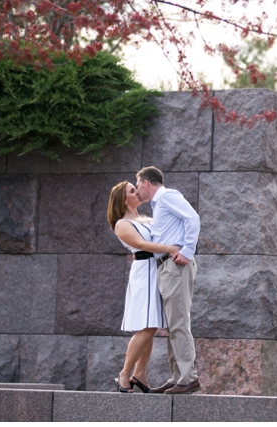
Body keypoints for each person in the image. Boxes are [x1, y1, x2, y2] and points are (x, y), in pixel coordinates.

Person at [107, 181, 181, 394]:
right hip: (145, 272)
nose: (136, 192)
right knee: (147, 326)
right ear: (123, 199)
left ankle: (139, 374)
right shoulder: (122, 224)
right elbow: (140, 245)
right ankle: (124, 374)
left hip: (157, 270)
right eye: (132, 190)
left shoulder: (146, 219)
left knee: (151, 325)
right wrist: (169, 248)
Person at [134, 166, 201, 394]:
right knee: (174, 324)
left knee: (179, 322)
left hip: (175, 265)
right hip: (167, 267)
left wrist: (188, 250)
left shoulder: (166, 196)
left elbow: (193, 217)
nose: (136, 191)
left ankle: (187, 378)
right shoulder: (159, 204)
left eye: (137, 185)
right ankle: (177, 377)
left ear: (146, 183)